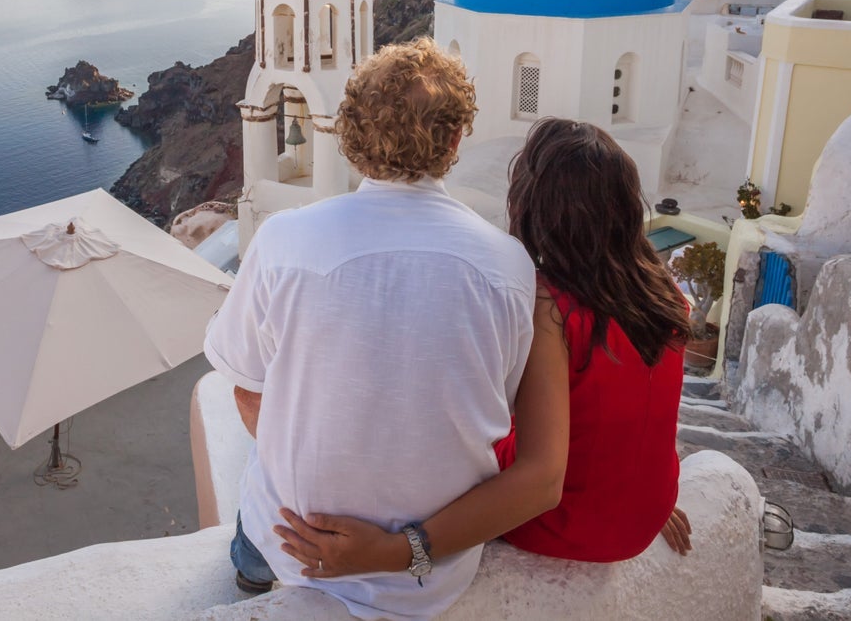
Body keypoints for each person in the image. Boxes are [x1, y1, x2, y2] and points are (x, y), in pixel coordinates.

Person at [272, 118, 694, 581]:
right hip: (641, 515)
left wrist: (394, 552)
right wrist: (644, 502)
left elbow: (542, 482)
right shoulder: (664, 294)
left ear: (535, 205)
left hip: (566, 527)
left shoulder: (551, 306)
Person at [203, 39, 536, 621]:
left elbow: (245, 388)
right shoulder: (506, 266)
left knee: (252, 517)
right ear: (455, 140)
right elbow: (493, 408)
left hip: (295, 544)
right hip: (432, 572)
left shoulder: (283, 240)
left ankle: (250, 579)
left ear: (352, 137)